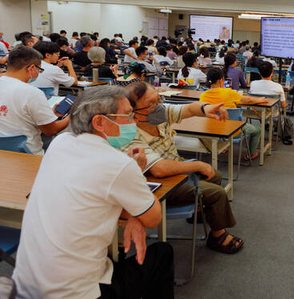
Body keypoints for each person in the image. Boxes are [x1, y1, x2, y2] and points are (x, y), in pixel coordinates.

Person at [13, 86, 174, 298]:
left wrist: (133, 207)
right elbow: (153, 218)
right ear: (99, 122)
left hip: (25, 286)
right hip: (76, 293)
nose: (133, 121)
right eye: (127, 115)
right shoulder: (119, 165)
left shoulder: (59, 143)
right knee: (162, 253)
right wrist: (136, 172)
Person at [123, 82, 245, 254]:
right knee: (216, 193)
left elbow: (189, 109)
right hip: (158, 182)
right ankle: (218, 237)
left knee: (214, 175)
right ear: (133, 113)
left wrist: (206, 108)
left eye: (158, 100)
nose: (158, 106)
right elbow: (159, 169)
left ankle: (199, 210)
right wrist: (198, 164)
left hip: (174, 169)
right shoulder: (129, 135)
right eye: (151, 104)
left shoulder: (158, 114)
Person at [0, 47, 70, 154]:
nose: (38, 73)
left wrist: (49, 114)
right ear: (31, 68)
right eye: (39, 70)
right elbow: (51, 130)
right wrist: (71, 117)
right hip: (27, 154)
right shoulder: (32, 92)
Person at [200, 68, 267, 160]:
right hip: (231, 129)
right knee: (257, 130)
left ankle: (222, 145)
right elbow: (248, 100)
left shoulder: (203, 95)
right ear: (220, 80)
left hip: (211, 129)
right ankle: (252, 153)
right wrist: (260, 100)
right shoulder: (228, 92)